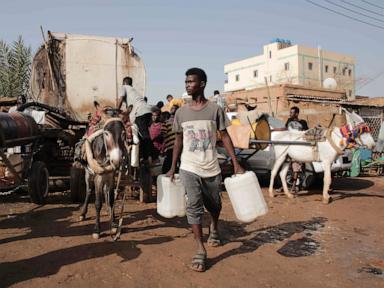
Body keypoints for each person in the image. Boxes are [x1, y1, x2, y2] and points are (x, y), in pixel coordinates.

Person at [167, 68, 244, 272]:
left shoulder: (215, 110)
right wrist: (172, 167)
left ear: (202, 84)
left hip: (211, 166)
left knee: (215, 205)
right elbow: (178, 141)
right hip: (189, 167)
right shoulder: (181, 112)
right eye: (186, 82)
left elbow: (225, 136)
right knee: (193, 205)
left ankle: (215, 227)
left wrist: (235, 162)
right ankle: (200, 249)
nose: (187, 85)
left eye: (191, 81)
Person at [117, 76, 158, 163]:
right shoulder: (133, 91)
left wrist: (116, 111)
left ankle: (154, 156)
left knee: (144, 135)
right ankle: (145, 156)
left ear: (124, 82)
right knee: (141, 135)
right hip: (146, 111)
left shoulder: (124, 87)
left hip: (140, 112)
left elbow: (120, 99)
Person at [285, 106, 308, 193]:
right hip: (289, 147)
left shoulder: (303, 122)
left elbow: (306, 133)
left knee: (296, 168)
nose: (290, 114)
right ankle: (286, 186)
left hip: (299, 147)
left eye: (292, 112)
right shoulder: (289, 121)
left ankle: (294, 187)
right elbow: (285, 130)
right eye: (290, 112)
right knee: (287, 168)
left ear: (297, 114)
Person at [161, 104, 179, 174]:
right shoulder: (168, 122)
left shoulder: (166, 122)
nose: (171, 109)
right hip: (172, 147)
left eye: (173, 108)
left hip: (173, 147)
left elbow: (163, 134)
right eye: (172, 108)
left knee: (167, 166)